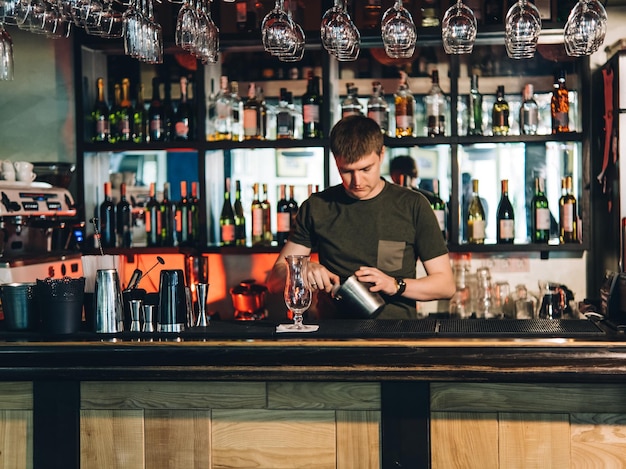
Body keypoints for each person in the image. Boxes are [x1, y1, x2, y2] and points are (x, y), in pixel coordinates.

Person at [267, 115, 455, 319]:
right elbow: (273, 280)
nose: (357, 181)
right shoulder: (317, 206)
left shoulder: (412, 205)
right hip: (335, 338)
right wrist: (302, 270)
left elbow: (445, 285)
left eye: (366, 169)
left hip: (396, 338)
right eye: (346, 171)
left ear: (381, 155)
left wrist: (395, 285)